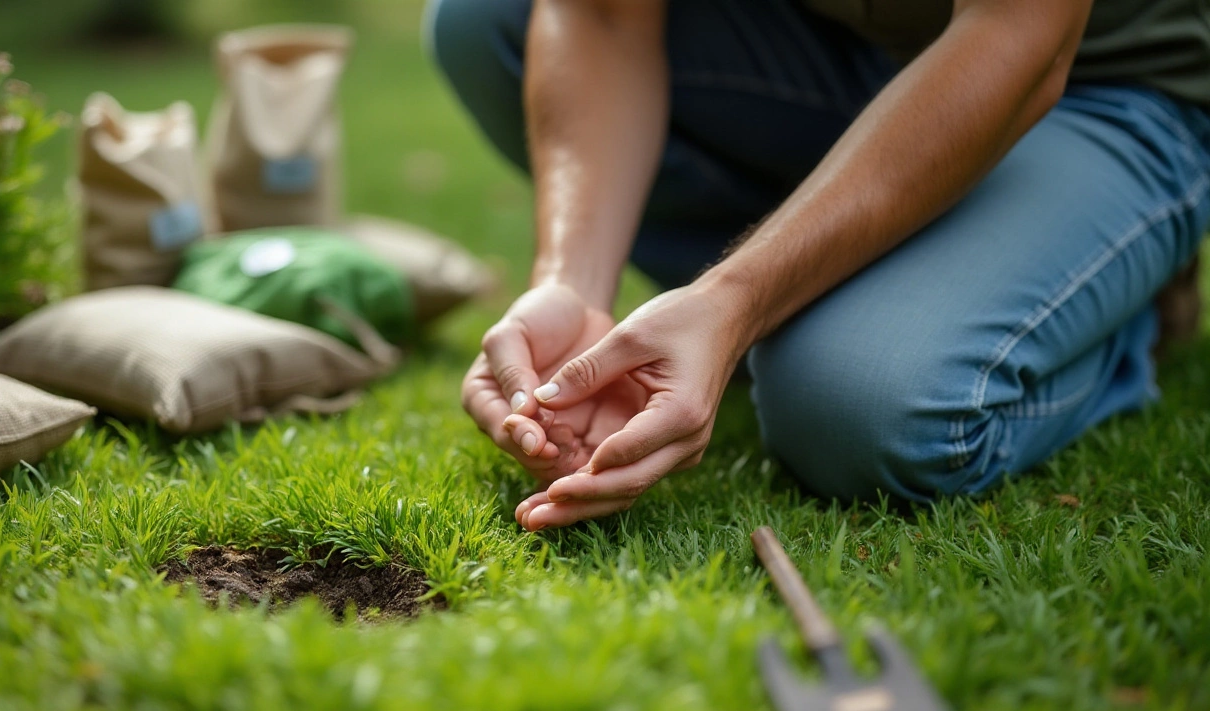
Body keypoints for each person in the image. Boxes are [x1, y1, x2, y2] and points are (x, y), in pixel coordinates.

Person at [426, 0, 1210, 531]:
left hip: (1097, 86)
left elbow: (1019, 38)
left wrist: (736, 298)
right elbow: (598, 14)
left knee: (853, 406)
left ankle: (1115, 306)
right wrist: (571, 282)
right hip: (831, 61)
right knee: (488, 19)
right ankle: (806, 287)